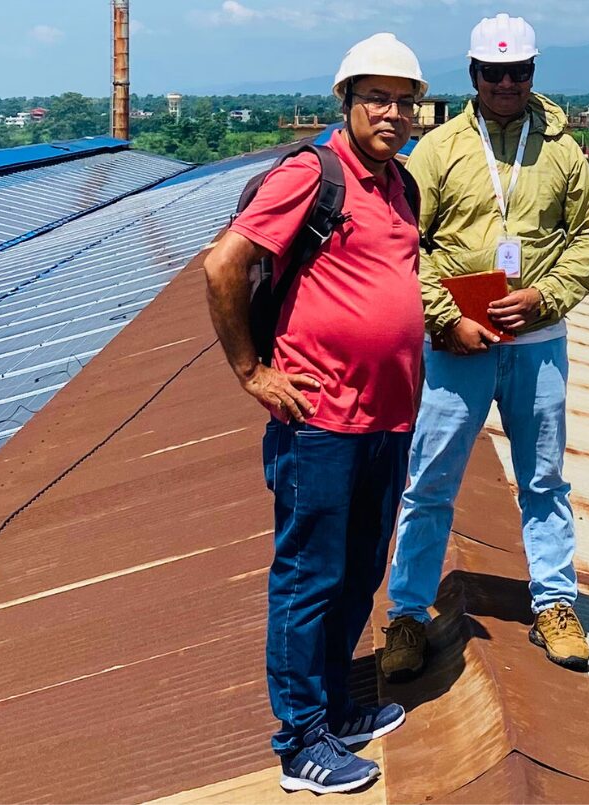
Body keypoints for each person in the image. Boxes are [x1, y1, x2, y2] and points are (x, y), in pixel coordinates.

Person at [200, 33, 427, 796]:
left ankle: (334, 707)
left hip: (387, 422)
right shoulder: (313, 174)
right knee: (309, 577)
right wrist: (251, 369)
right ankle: (301, 742)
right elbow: (223, 263)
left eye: (405, 100)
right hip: (323, 422)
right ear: (347, 101)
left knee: (360, 572)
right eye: (377, 98)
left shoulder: (401, 185)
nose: (393, 112)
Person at [377, 12, 589, 682]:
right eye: (494, 73)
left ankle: (556, 603)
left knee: (543, 479)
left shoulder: (562, 149)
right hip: (459, 347)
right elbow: (405, 242)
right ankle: (408, 613)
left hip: (537, 343)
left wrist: (547, 295)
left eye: (519, 72)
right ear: (474, 76)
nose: (507, 83)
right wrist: (447, 318)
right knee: (430, 481)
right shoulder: (440, 150)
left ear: (533, 72)